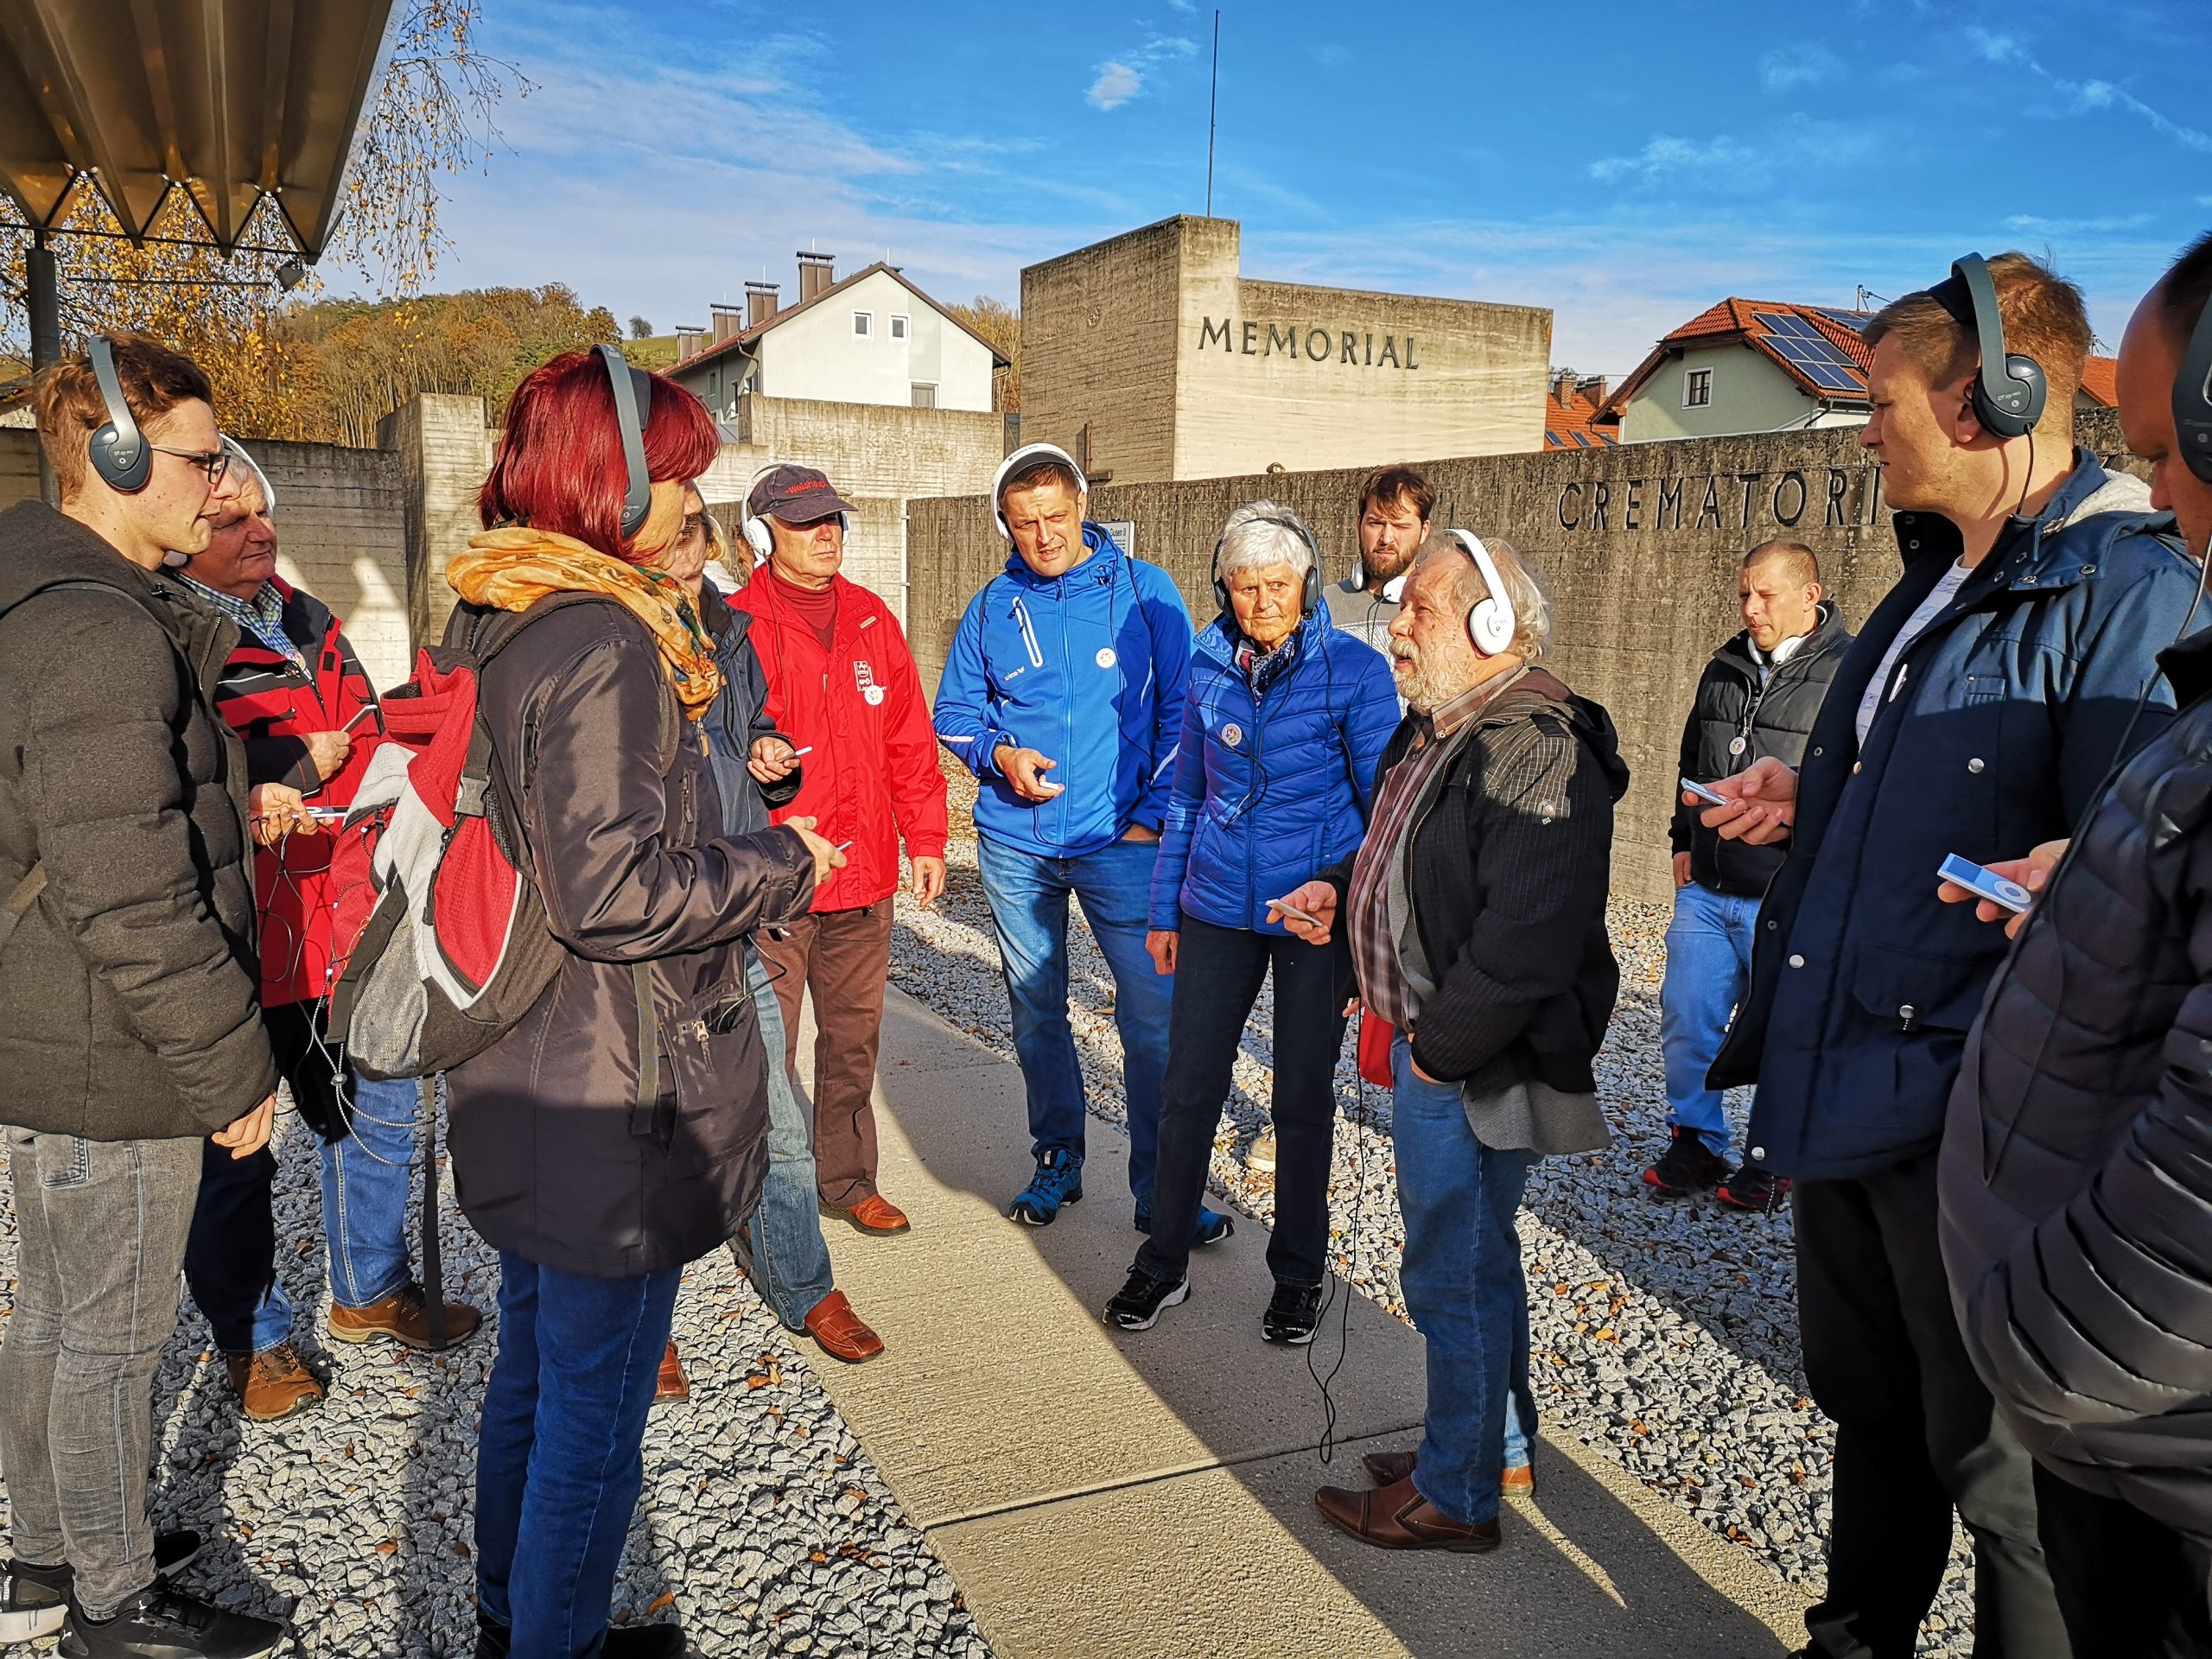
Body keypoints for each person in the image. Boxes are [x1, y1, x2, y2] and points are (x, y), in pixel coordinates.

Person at [1699, 251, 2198, 1659]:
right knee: (1873, 1405)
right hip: (1850, 1075)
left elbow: (2146, 864)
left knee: (2005, 1477)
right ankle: (1858, 1636)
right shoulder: (1934, 576)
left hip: (1980, 1113)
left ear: (1993, 397)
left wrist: (2080, 867)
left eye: (1883, 402)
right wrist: (1828, 796)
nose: (1865, 431)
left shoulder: (2129, 586)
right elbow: (1936, 781)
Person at [441, 348, 836, 1659]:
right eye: (673, 481)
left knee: (536, 1374)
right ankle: (554, 1637)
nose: (690, 507)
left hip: (533, 1065)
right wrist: (783, 860)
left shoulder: (504, 607)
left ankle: (510, 1617)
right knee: (593, 1425)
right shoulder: (604, 637)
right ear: (609, 487)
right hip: (614, 1089)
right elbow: (612, 894)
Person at [1937, 233, 2212, 1658]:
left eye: (2173, 448)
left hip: (2145, 1452)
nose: (2161, 493)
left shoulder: (2130, 585)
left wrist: (2038, 1338)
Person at [0, 335, 287, 1658]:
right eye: (198, 456)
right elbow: (136, 896)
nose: (220, 483)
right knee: (111, 1340)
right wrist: (234, 1075)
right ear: (113, 458)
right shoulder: (100, 630)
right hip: (112, 1051)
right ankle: (113, 1608)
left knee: (56, 1318)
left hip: (51, 1034)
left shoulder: (37, 591)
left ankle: (50, 1558)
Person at [1279, 533, 1626, 1553]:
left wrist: (1435, 1056)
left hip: (1468, 1063)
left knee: (1451, 1275)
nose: (1392, 629)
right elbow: (1398, 854)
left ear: (1489, 627)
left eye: (1416, 612)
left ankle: (1458, 1493)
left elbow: (1523, 943)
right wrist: (1338, 898)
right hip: (1444, 1049)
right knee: (1478, 1262)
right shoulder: (1437, 727)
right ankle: (1486, 1446)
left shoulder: (1534, 745)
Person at [175, 440, 481, 1426]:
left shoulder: (310, 620)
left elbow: (361, 739)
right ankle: (253, 1338)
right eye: (232, 521)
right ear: (183, 532)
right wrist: (290, 761)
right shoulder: (174, 635)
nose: (261, 532)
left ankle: (367, 1290)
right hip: (238, 931)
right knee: (235, 1152)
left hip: (348, 911)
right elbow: (177, 774)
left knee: (377, 1111)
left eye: (263, 514)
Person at [1103, 502, 1397, 1343]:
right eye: (1244, 585)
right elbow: (1187, 794)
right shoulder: (1205, 664)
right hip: (1216, 908)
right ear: (1222, 588)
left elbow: (1385, 813)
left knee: (1302, 1099)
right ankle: (1161, 1262)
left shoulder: (1356, 673)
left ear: (1307, 584)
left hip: (1313, 916)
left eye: (1276, 584)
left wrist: (1362, 943)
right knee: (1187, 1088)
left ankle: (1297, 1275)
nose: (1260, 600)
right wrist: (1164, 910)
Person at [932, 443, 1202, 1233]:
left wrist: (1152, 817)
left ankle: (1162, 1190)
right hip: (1017, 845)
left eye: (1055, 517)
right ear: (1005, 526)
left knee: (1151, 1019)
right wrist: (1000, 755)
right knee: (1036, 1009)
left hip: (1124, 844)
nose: (1043, 536)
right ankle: (1059, 1159)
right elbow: (954, 713)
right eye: (1025, 524)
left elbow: (1184, 713)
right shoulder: (991, 607)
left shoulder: (1146, 594)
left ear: (1083, 509)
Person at [729, 465, 948, 1238]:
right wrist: (756, 752)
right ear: (762, 535)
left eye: (834, 521)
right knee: (767, 1052)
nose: (828, 534)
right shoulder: (733, 624)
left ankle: (848, 1181)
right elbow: (717, 743)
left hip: (864, 876)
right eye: (806, 522)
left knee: (853, 1045)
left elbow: (908, 740)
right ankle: (767, 1200)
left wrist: (926, 838)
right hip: (776, 878)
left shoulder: (870, 619)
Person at [690, 498, 884, 1368]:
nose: (688, 546)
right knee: (628, 1124)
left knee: (775, 1100)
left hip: (734, 896)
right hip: (626, 914)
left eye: (698, 527)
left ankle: (804, 1282)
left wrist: (765, 762)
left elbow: (746, 744)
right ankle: (639, 1308)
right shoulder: (591, 631)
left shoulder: (721, 633)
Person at [1646, 540, 1851, 1210]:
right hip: (1708, 887)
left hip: (1787, 895)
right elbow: (1691, 754)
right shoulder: (1725, 665)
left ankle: (1772, 1156)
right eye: (1743, 593)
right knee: (1687, 1017)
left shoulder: (1851, 673)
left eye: (1764, 594)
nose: (1750, 607)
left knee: (1786, 1029)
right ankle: (1699, 1141)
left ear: (1809, 595)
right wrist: (1682, 838)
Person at [1324, 463, 1433, 657]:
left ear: (1424, 531)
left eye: (1401, 526)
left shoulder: (1437, 612)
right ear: (1359, 524)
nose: (1386, 538)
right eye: (1376, 523)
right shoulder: (1322, 605)